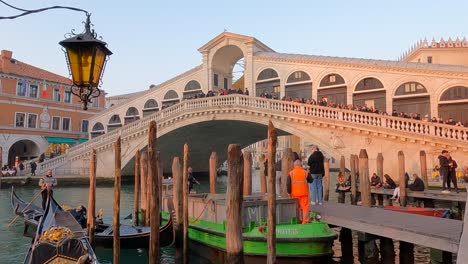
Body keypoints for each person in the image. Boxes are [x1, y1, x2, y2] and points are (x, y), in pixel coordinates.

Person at [287, 160, 312, 224]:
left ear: (294, 165)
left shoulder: (291, 173)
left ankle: (298, 220)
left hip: (294, 194)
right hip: (304, 193)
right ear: (301, 165)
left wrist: (289, 192)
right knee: (305, 207)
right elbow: (311, 180)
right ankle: (305, 221)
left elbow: (288, 184)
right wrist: (309, 172)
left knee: (297, 208)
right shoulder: (305, 172)